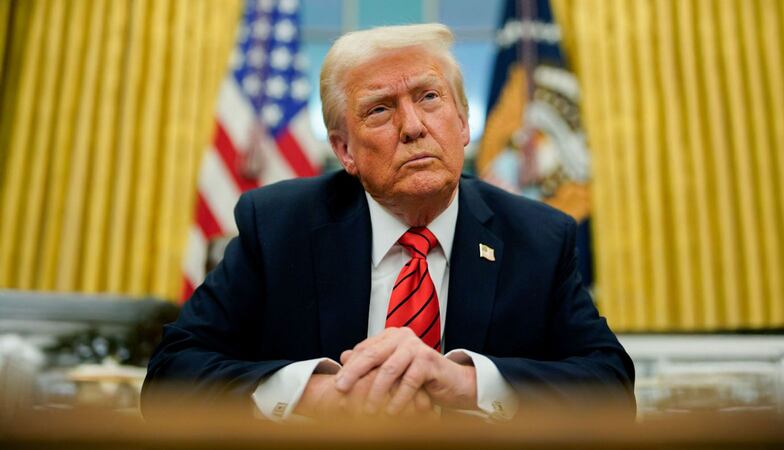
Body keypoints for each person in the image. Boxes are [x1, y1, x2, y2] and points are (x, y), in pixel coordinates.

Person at [142, 23, 635, 421]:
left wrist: (463, 381)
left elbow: (610, 385)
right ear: (344, 150)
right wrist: (321, 394)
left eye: (429, 97)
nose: (413, 127)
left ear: (464, 123)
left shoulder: (537, 238)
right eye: (379, 110)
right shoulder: (278, 227)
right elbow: (170, 376)